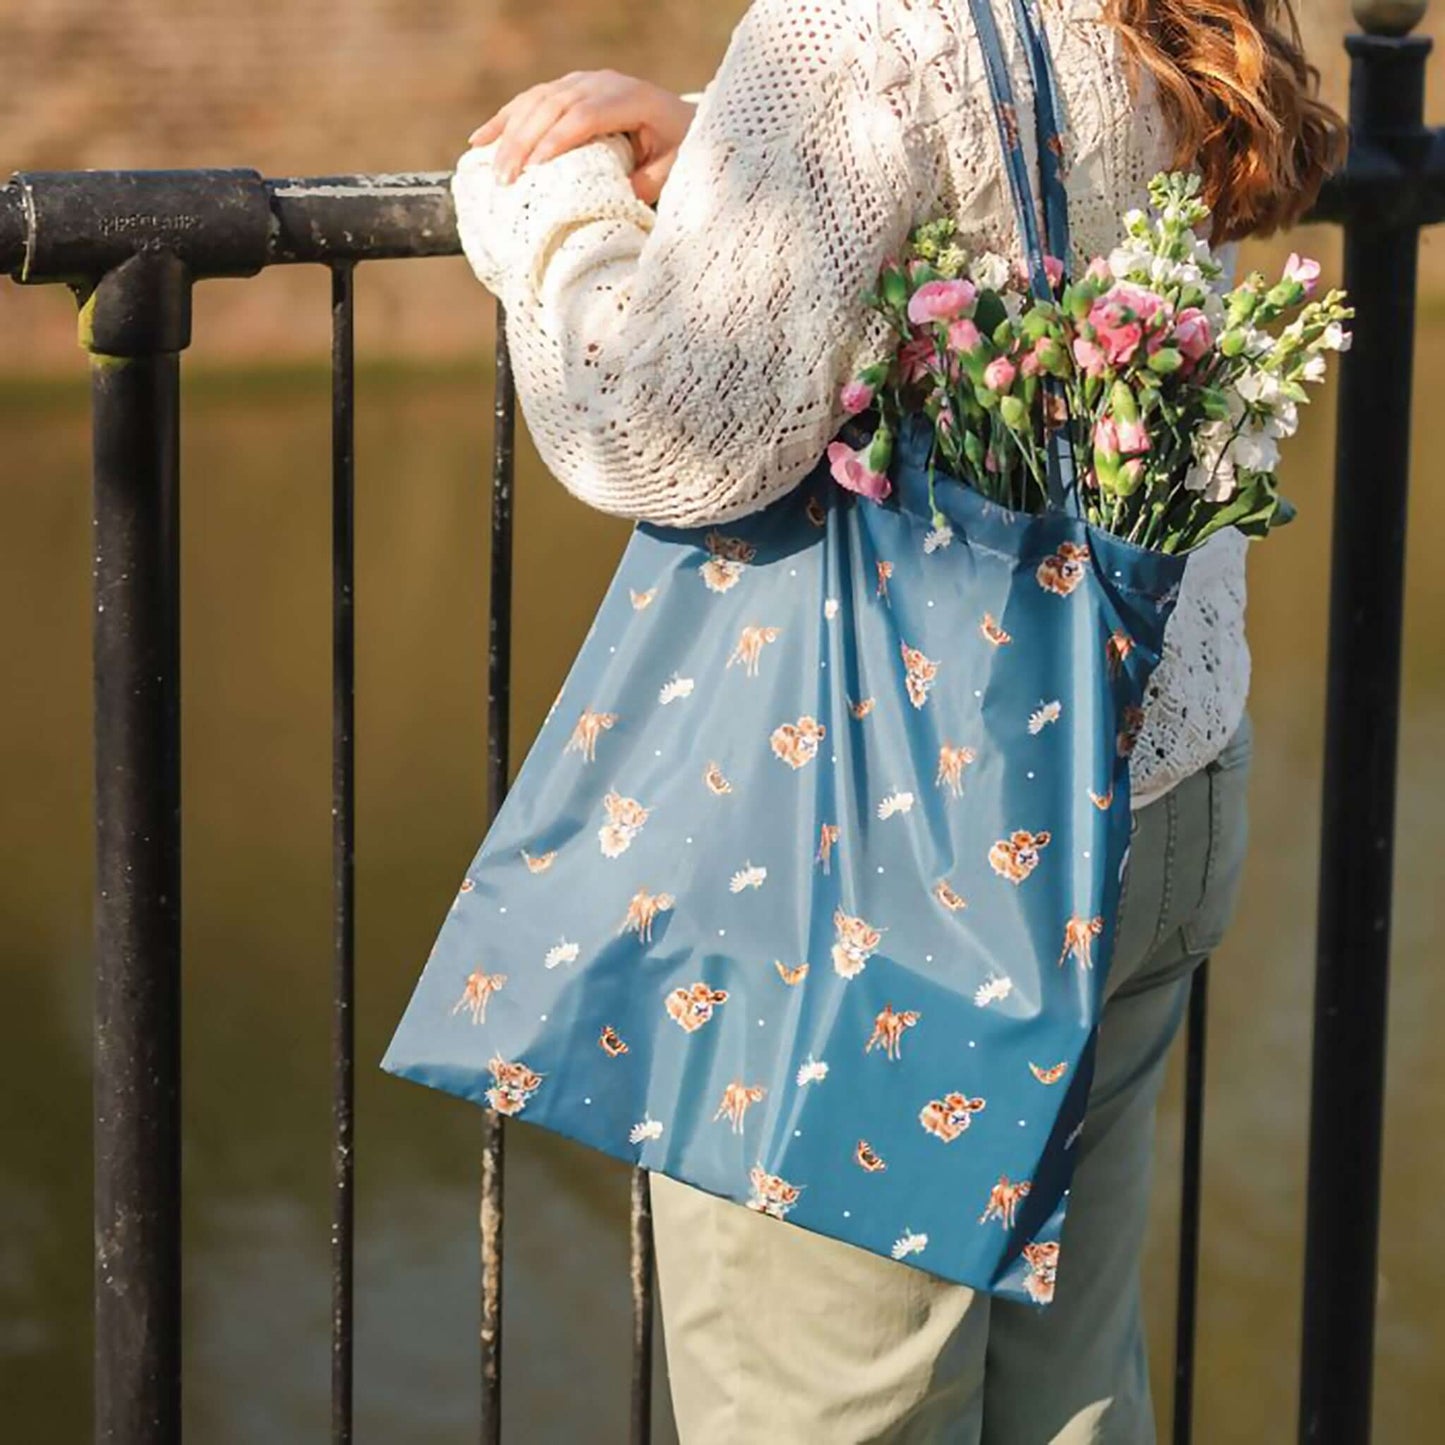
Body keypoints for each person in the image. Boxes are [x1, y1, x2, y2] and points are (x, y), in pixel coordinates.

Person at [451, 2, 1345, 1438]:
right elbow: (988, 166)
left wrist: (540, 208)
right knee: (1068, 1398)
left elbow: (656, 424)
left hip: (889, 867)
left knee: (833, 1412)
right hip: (1153, 790)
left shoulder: (849, 31)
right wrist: (731, 146)